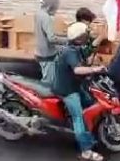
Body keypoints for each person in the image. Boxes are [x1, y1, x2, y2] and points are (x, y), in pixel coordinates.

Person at [51, 21, 105, 161]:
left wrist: (101, 36)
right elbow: (77, 69)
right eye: (86, 34)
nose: (88, 36)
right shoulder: (69, 52)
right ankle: (85, 151)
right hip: (67, 90)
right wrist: (94, 69)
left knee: (89, 103)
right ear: (80, 38)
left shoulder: (75, 47)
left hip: (74, 85)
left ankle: (88, 134)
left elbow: (88, 50)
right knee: (78, 117)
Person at [35, 0, 66, 85]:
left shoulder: (38, 14)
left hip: (39, 51)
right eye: (56, 6)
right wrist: (67, 40)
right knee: (48, 82)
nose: (56, 9)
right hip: (47, 54)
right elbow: (51, 39)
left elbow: (44, 33)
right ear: (50, 6)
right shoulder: (46, 17)